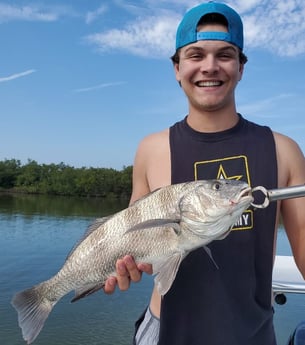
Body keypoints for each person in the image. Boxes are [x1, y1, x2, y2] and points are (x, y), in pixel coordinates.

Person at [104, 2, 305, 344]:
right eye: (196, 55)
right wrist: (125, 267)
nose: (209, 67)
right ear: (177, 67)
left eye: (225, 55)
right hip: (164, 329)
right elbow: (131, 240)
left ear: (241, 67)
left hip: (252, 333)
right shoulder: (150, 150)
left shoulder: (283, 149)